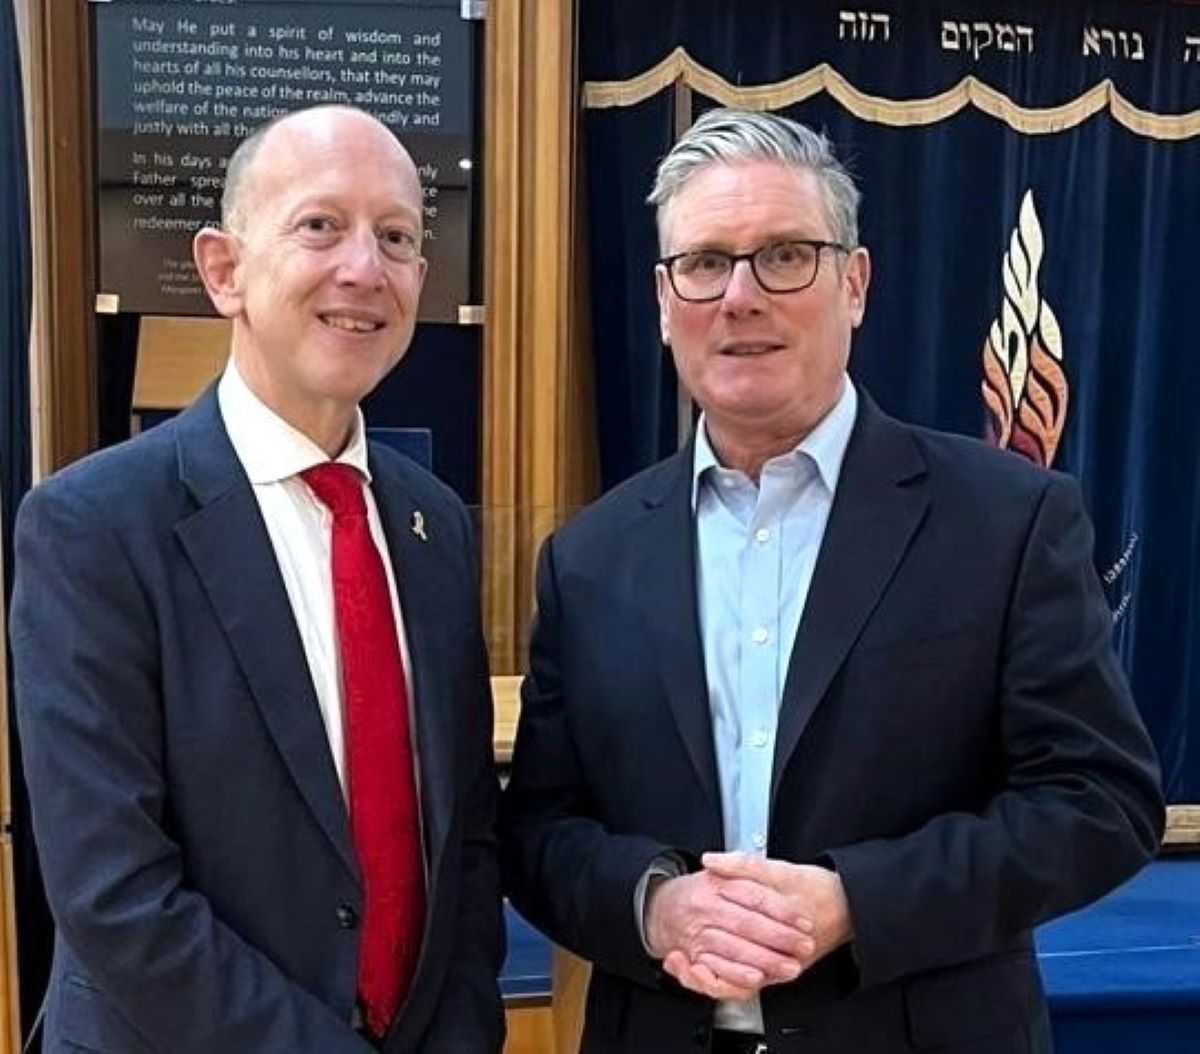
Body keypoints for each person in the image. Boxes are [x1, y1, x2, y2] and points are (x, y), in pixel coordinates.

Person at [501, 108, 1164, 1054]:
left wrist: (859, 901)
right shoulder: (591, 557)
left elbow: (1102, 802)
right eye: (705, 262)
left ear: (854, 282)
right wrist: (653, 905)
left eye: (785, 255)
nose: (740, 295)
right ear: (661, 297)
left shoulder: (1007, 521)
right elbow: (540, 830)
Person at [11, 105, 504, 1053]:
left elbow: (464, 845)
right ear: (223, 269)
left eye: (397, 236)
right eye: (321, 225)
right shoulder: (93, 527)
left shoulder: (433, 524)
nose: (365, 268)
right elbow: (114, 895)